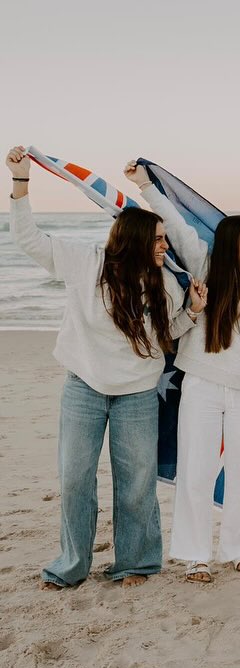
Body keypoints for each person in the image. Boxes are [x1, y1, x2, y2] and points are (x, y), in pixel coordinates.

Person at [6, 145, 202, 589]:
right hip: (84, 387)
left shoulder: (166, 283)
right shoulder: (87, 262)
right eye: (157, 239)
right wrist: (21, 183)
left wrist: (192, 313)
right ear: (134, 241)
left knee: (135, 483)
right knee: (75, 478)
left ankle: (135, 563)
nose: (165, 246)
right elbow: (28, 240)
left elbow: (167, 333)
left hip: (137, 392)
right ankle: (71, 565)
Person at [128, 162, 240, 582]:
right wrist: (147, 185)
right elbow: (178, 226)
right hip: (202, 384)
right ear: (228, 244)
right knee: (196, 471)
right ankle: (196, 555)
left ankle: (239, 548)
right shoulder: (205, 269)